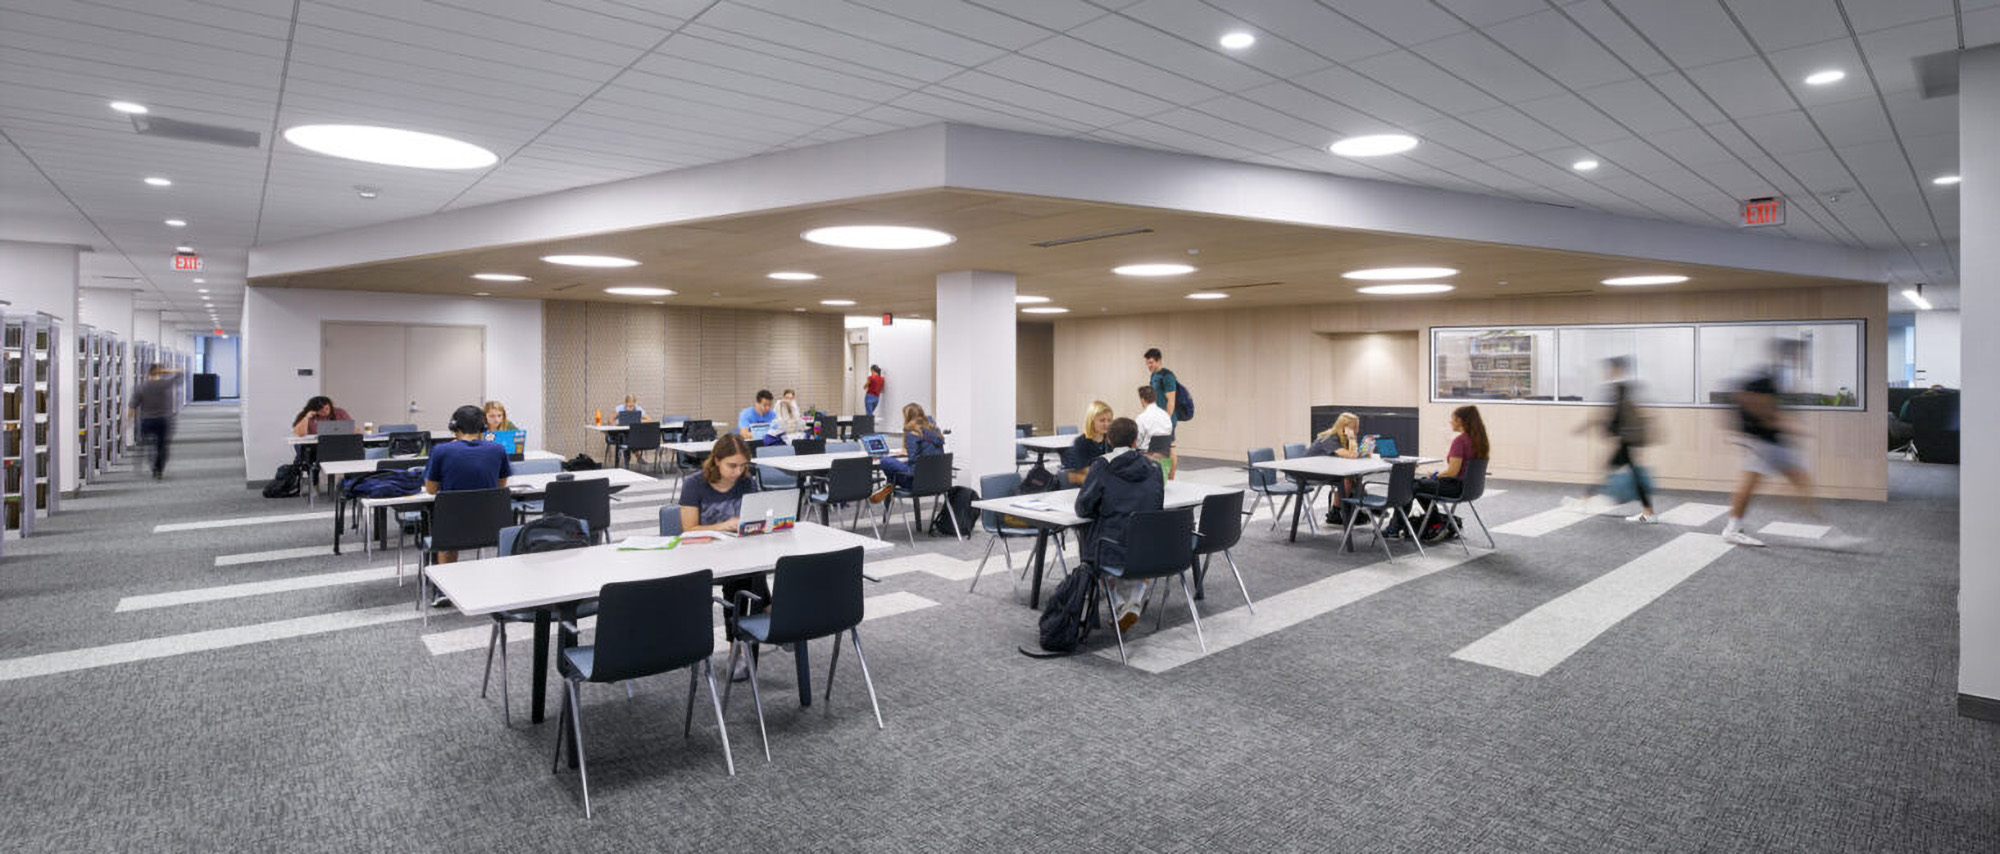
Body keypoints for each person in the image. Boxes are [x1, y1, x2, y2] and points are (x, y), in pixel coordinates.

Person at [1721, 340, 1862, 548]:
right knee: (1750, 483)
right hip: (1758, 441)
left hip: (1772, 440)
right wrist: (1781, 422)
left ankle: (1829, 533)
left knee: (1800, 480)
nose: (1801, 358)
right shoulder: (1766, 377)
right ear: (1788, 354)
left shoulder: (1778, 376)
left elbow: (1767, 407)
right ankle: (1732, 529)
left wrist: (1783, 424)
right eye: (1798, 354)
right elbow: (1751, 401)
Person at [678, 433, 766, 680]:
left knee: (749, 571)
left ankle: (737, 647)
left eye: (743, 465)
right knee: (743, 579)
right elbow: (689, 529)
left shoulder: (747, 482)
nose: (738, 472)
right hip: (702, 555)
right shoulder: (695, 484)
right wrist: (724, 525)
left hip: (738, 550)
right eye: (732, 465)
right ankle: (768, 615)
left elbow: (755, 516)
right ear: (716, 460)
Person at [1075, 416, 1165, 633]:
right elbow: (1157, 505)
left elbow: (1083, 508)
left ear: (1109, 440)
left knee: (1091, 543)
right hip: (1151, 551)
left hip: (1112, 548)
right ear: (1135, 441)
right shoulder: (1154, 467)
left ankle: (1116, 603)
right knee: (1143, 535)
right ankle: (1135, 598)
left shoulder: (1102, 465)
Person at [422, 405, 513, 596]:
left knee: (446, 530)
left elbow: (431, 490)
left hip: (452, 530)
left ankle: (444, 591)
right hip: (490, 527)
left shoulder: (441, 451)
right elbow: (500, 485)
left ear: (454, 426)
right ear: (483, 426)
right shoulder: (498, 449)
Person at [1567, 357, 1657, 522]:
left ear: (1617, 369)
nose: (1607, 372)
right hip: (1629, 439)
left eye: (1610, 368)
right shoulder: (1628, 387)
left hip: (1626, 439)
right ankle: (1648, 512)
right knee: (1621, 473)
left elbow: (1608, 414)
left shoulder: (1618, 388)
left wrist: (1587, 426)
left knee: (1607, 471)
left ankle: (1583, 501)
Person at [1396, 406, 1489, 540]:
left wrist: (1436, 476)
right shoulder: (1479, 441)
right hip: (1470, 489)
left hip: (1455, 487)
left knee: (1411, 486)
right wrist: (1437, 477)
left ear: (1460, 421)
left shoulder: (1460, 441)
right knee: (1423, 486)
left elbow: (1453, 472)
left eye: (1453, 419)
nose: (1451, 422)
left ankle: (1394, 528)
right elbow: (1460, 470)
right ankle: (1437, 523)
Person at [873, 402, 946, 502]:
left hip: (917, 483)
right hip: (938, 482)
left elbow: (912, 461)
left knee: (885, 461)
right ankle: (889, 486)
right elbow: (924, 455)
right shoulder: (935, 432)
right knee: (901, 463)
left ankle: (890, 486)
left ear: (908, 417)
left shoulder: (913, 434)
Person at [1305, 411, 1364, 523]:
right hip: (1308, 472)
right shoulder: (1329, 438)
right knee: (1347, 479)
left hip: (1324, 469)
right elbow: (1351, 455)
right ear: (1344, 428)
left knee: (1353, 477)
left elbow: (1352, 455)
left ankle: (1354, 509)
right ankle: (1335, 513)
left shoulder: (1342, 439)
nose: (1357, 431)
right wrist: (1352, 438)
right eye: (1354, 428)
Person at [127, 362, 180, 480]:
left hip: (147, 420)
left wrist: (129, 420)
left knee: (148, 444)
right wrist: (166, 371)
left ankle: (151, 462)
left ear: (148, 372)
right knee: (161, 445)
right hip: (163, 420)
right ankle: (158, 469)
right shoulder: (165, 384)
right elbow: (180, 374)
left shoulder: (141, 387)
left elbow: (132, 406)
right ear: (160, 372)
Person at [1143, 347, 1180, 477]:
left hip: (1166, 420)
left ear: (1159, 361)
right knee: (1159, 451)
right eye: (1147, 363)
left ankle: (1171, 478)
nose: (1148, 365)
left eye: (1151, 362)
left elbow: (1171, 401)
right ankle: (1162, 478)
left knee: (1170, 449)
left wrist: (1166, 420)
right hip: (1157, 418)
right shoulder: (1154, 375)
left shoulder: (1167, 376)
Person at [1063, 400, 1114, 486]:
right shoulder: (1081, 443)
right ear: (1091, 421)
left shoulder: (1110, 441)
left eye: (1109, 420)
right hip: (1085, 487)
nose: (1106, 424)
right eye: (1102, 420)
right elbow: (1083, 470)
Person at [1134, 385, 1174, 479]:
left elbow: (1137, 441)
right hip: (1165, 457)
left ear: (1142, 400)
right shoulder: (1166, 415)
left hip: (1147, 458)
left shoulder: (1141, 418)